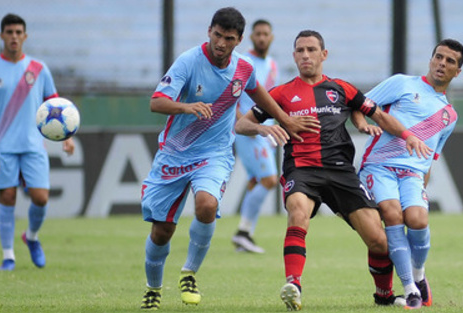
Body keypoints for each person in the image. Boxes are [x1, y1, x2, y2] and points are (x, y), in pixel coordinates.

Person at [234, 29, 432, 311]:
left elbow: (379, 115)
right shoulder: (281, 93)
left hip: (340, 172)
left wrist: (407, 136)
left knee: (378, 240)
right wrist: (264, 127)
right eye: (300, 50)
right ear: (294, 56)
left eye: (311, 50)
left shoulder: (341, 88)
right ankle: (294, 284)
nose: (305, 55)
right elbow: (241, 125)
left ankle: (384, 295)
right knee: (298, 214)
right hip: (301, 170)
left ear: (323, 54)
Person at [140, 8, 318, 310]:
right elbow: (156, 102)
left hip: (214, 153)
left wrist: (285, 120)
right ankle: (153, 289)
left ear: (238, 40)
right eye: (217, 35)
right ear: (210, 31)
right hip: (174, 153)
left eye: (229, 39)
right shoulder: (188, 61)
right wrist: (187, 107)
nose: (221, 43)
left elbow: (261, 95)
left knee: (208, 204)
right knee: (162, 230)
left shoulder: (243, 69)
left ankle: (189, 273)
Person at [358, 38, 463, 309]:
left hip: (413, 174)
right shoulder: (402, 83)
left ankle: (419, 275)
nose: (442, 63)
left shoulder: (449, 116)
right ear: (431, 59)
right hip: (379, 166)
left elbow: (429, 159)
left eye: (450, 61)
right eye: (438, 57)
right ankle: (410, 290)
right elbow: (361, 104)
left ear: (457, 71)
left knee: (417, 219)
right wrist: (361, 123)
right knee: (393, 215)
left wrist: (424, 186)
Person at [0, 13, 75, 271]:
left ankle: (30, 237)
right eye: (9, 32)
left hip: (32, 145)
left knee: (40, 198)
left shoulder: (38, 69)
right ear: (2, 36)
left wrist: (67, 138)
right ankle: (8, 256)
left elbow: (57, 106)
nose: (14, 37)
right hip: (2, 145)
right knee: (7, 196)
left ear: (25, 36)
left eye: (19, 32)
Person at [232, 19, 279, 254]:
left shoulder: (272, 65)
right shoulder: (243, 62)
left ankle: (244, 232)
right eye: (258, 34)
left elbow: (271, 99)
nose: (262, 38)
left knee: (255, 181)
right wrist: (244, 123)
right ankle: (243, 233)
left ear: (271, 37)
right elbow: (233, 98)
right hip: (250, 131)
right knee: (270, 179)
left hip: (266, 131)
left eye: (265, 34)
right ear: (251, 37)